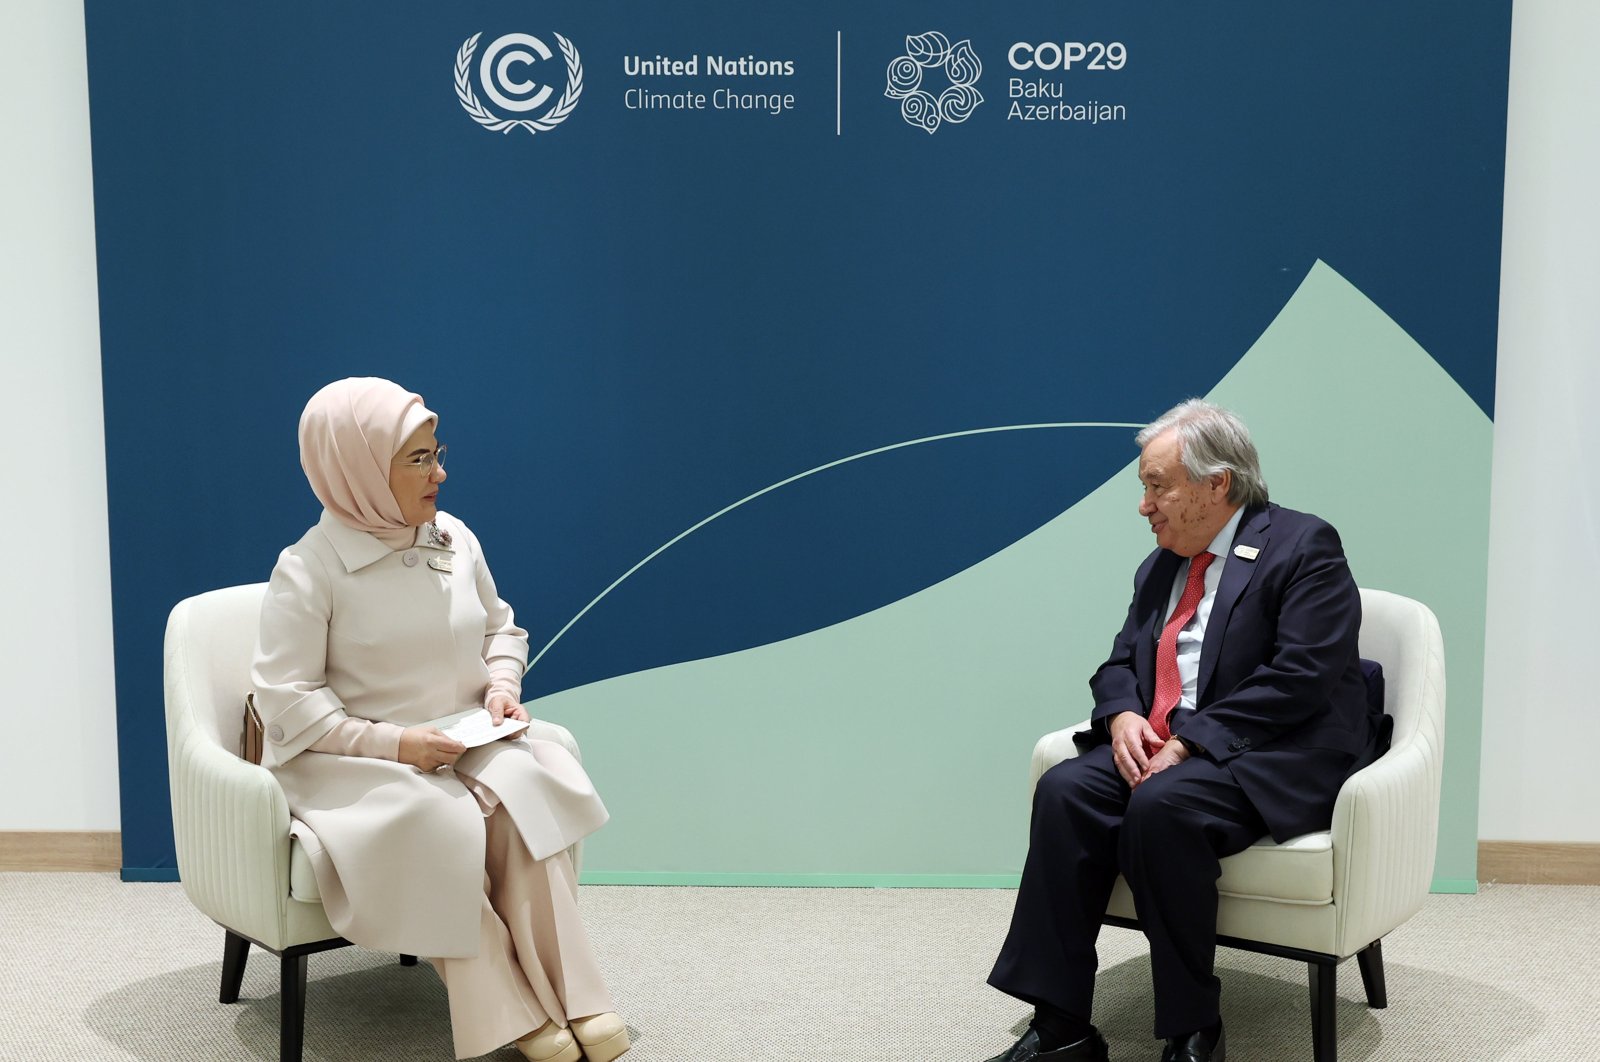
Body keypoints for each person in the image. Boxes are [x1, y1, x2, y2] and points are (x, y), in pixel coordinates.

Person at [983, 399, 1376, 1062]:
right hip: (1174, 741)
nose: (1144, 505)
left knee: (1163, 808)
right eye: (1145, 487)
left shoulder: (1304, 546)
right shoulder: (1162, 564)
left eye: (1156, 485)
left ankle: (1194, 1030)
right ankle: (1061, 1027)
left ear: (1216, 484)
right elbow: (1119, 661)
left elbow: (1302, 677)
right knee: (1064, 791)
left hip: (1270, 747)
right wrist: (1125, 716)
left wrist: (1193, 740)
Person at [252, 377, 629, 1062]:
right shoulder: (307, 571)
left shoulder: (453, 536)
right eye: (419, 458)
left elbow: (501, 631)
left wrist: (501, 689)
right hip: (352, 765)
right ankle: (508, 1010)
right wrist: (396, 745)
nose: (441, 473)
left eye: (437, 452)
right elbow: (288, 702)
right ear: (357, 466)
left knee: (526, 791)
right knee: (432, 819)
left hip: (458, 736)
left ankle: (577, 996)